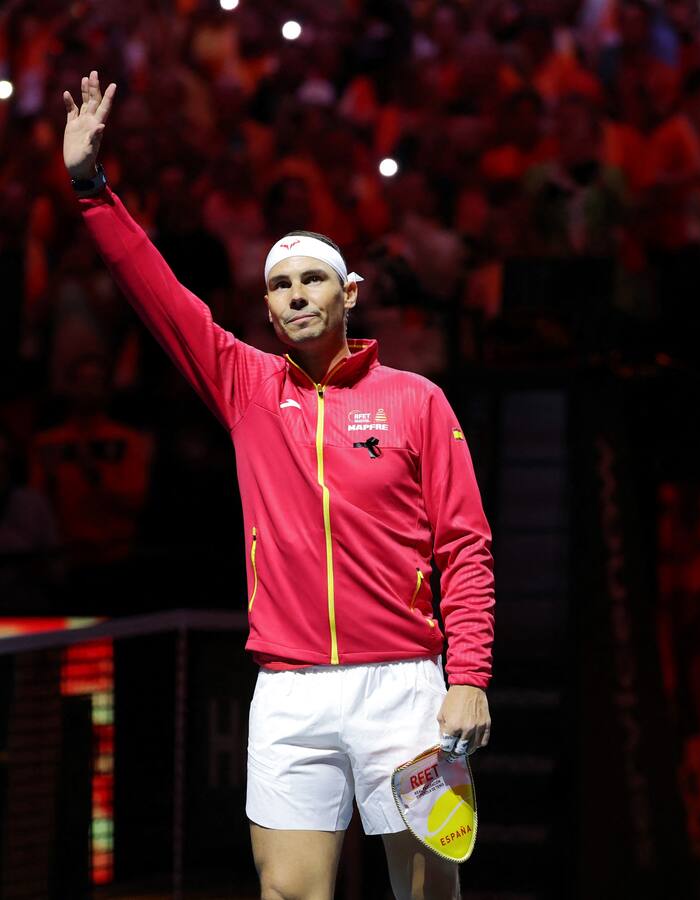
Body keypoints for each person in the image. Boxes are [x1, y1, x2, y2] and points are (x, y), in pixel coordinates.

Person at [63, 71, 493, 900]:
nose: (297, 296)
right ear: (267, 308)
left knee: (428, 895)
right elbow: (158, 292)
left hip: (405, 687)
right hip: (289, 693)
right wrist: (90, 189)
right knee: (290, 895)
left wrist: (467, 677)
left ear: (349, 294)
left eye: (313, 280)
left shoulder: (417, 402)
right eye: (281, 286)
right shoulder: (248, 388)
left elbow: (466, 549)